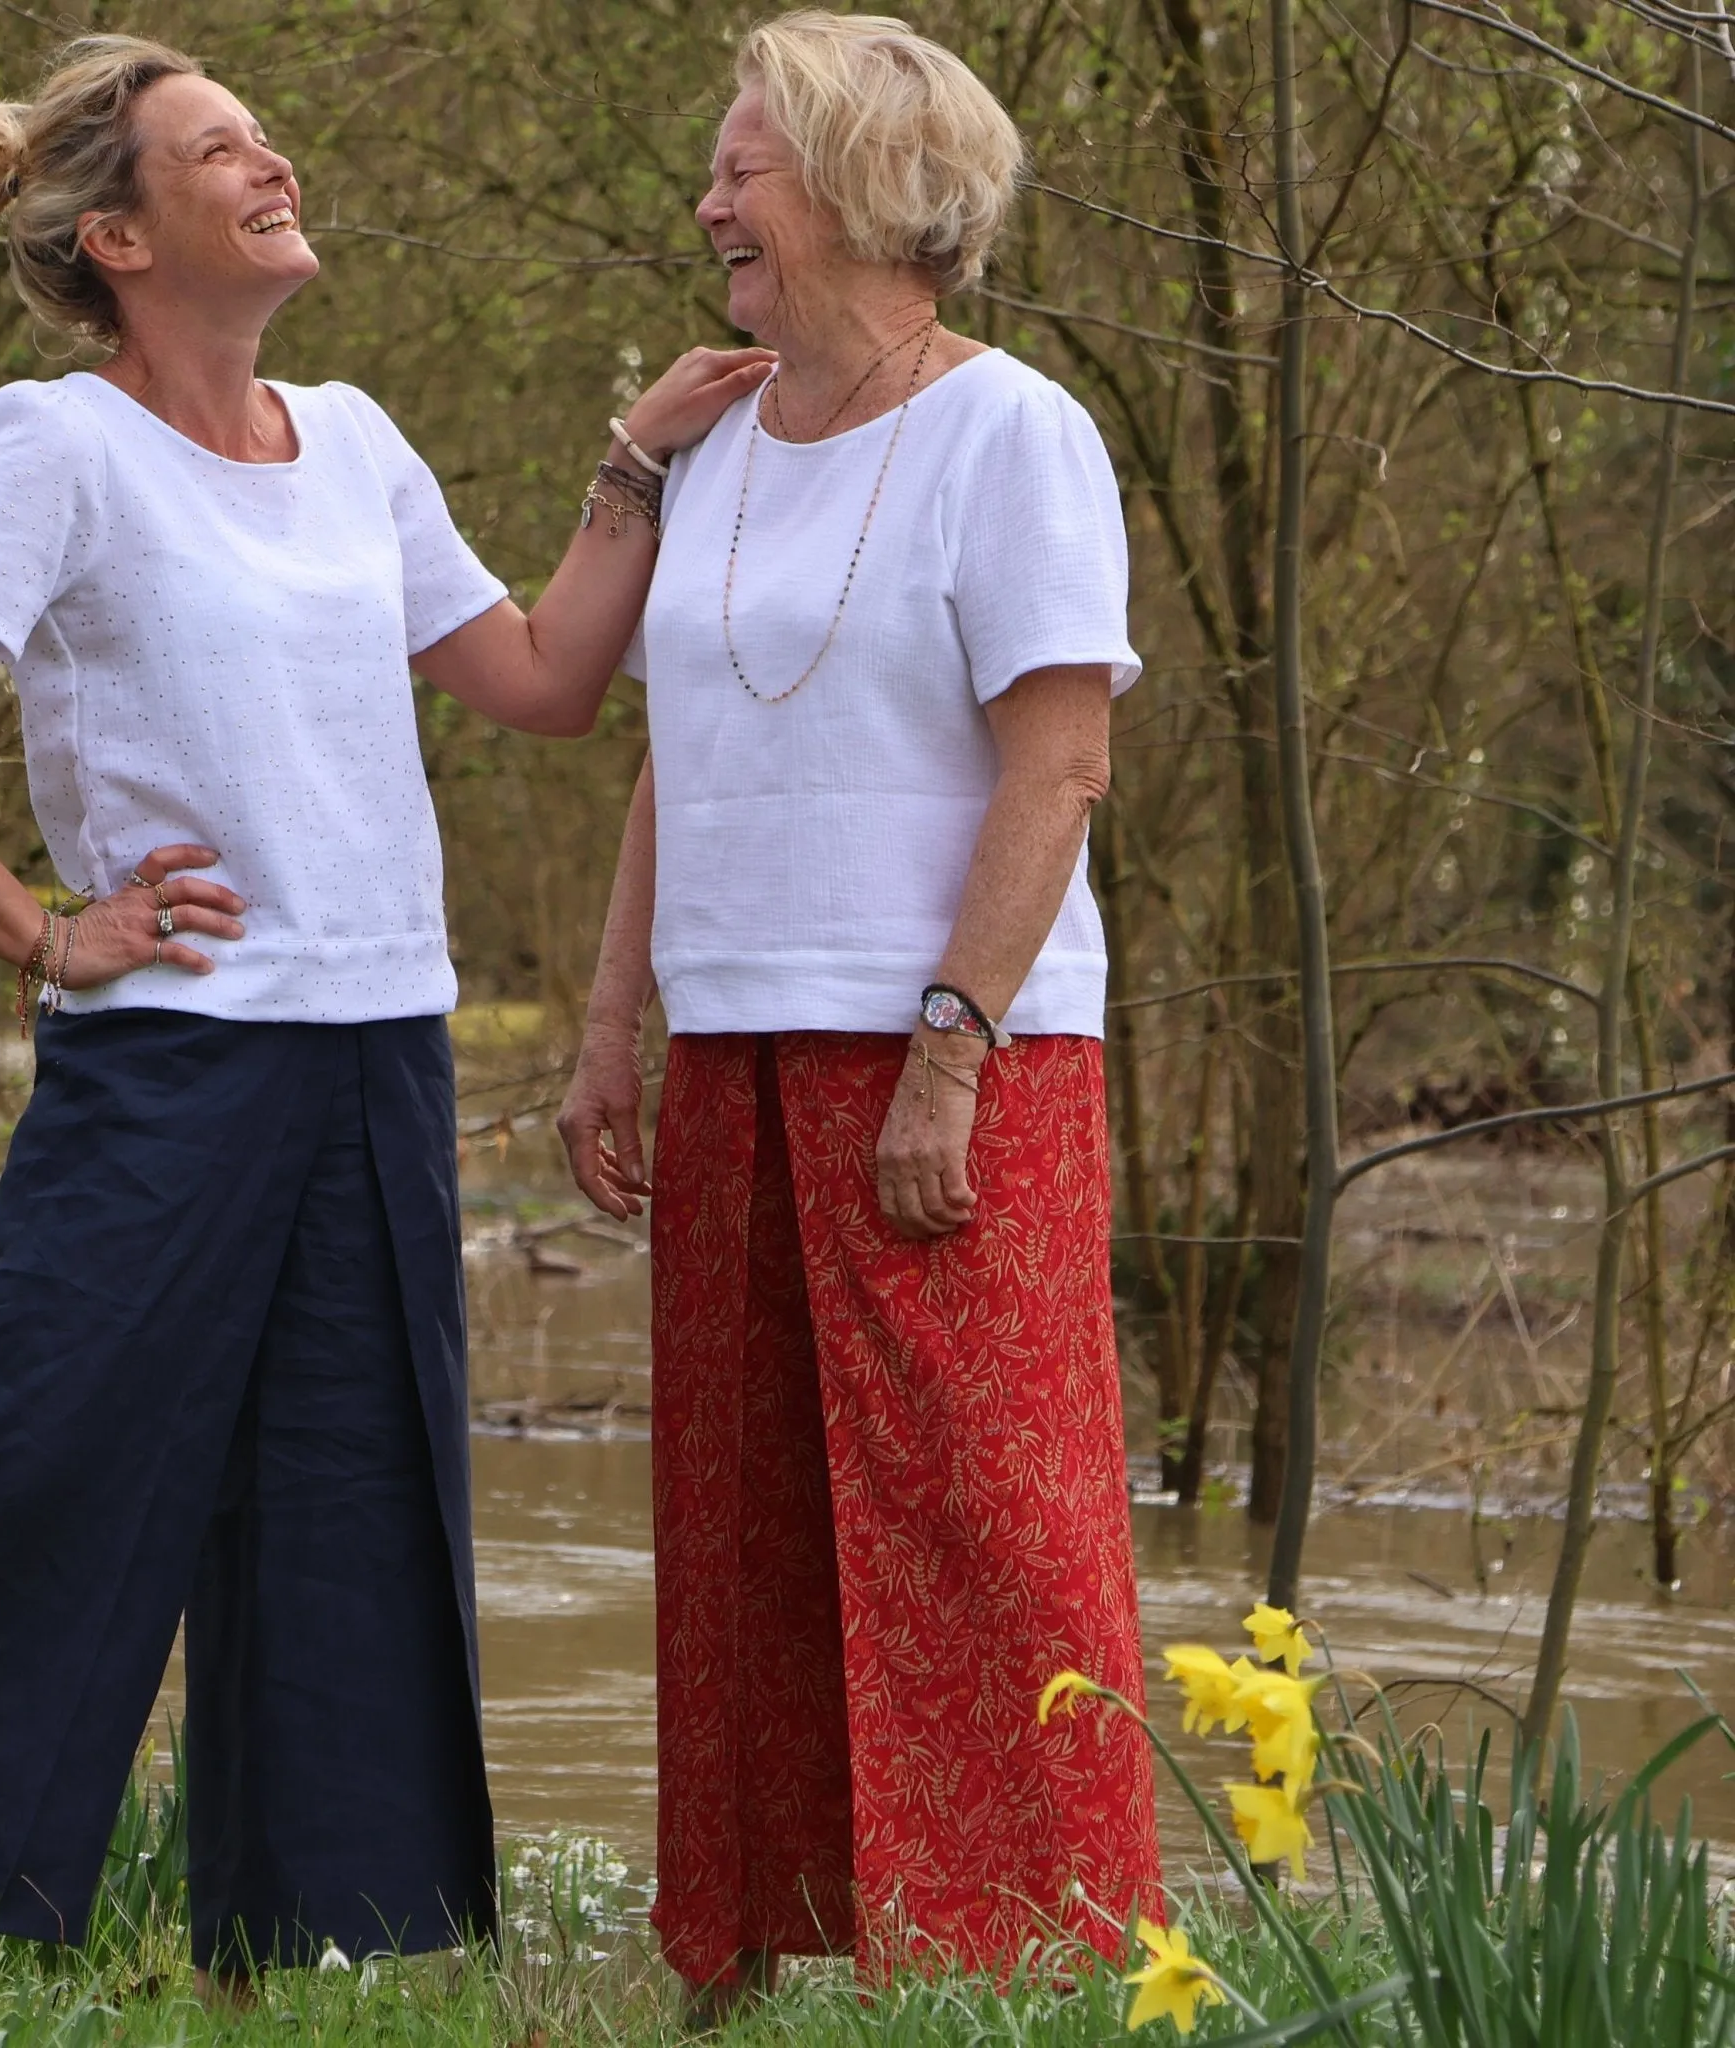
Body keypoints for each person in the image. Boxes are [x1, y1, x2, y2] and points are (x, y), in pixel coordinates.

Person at [0, 34, 768, 1990]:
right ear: (119, 235)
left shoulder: (354, 440)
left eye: (264, 138)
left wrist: (635, 461)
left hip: (381, 1051)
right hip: (171, 1060)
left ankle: (295, 1971)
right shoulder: (55, 447)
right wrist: (38, 929)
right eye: (218, 152)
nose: (271, 165)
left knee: (354, 1509)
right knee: (32, 1458)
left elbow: (534, 678)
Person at [557, 8, 1160, 2004]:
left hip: (951, 1059)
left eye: (746, 162)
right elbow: (678, 753)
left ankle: (1031, 1967)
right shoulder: (717, 438)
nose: (710, 197)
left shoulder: (1014, 433)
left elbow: (1055, 764)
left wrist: (945, 1049)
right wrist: (606, 1025)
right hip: (728, 1052)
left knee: (991, 1534)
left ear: (869, 188)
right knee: (742, 1542)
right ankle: (740, 1953)